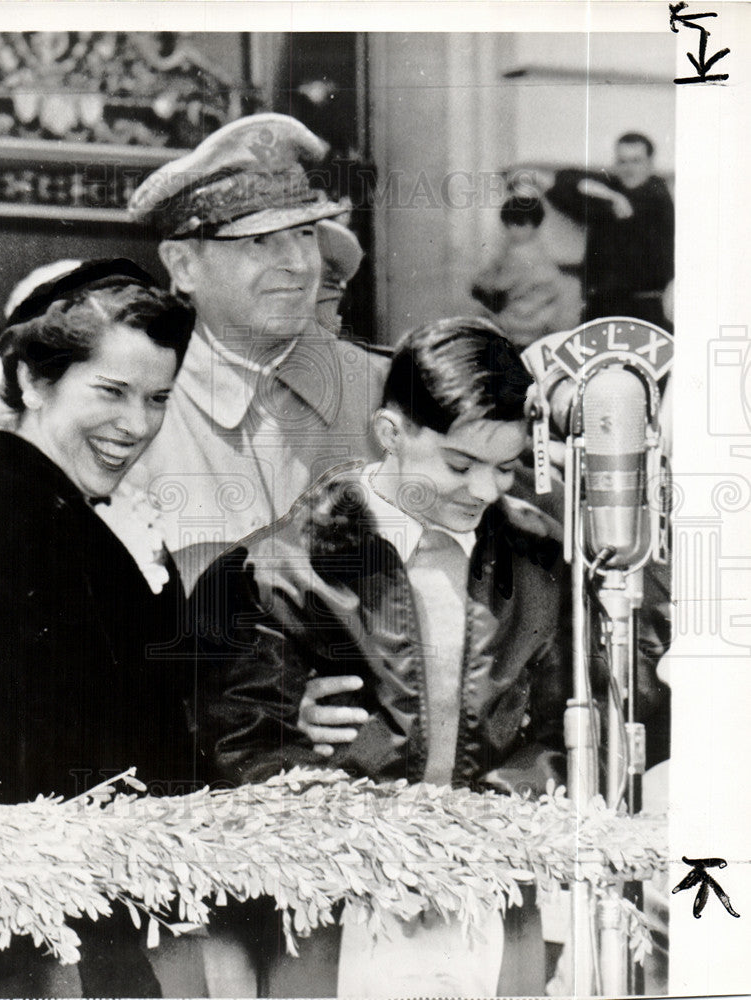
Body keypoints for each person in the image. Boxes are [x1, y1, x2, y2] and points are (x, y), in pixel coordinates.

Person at [194, 318, 571, 996]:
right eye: (458, 465)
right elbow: (245, 749)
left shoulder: (538, 553)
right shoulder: (279, 568)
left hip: (493, 891)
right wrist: (349, 817)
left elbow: (562, 728)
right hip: (333, 907)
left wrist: (483, 825)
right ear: (391, 433)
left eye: (505, 467)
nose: (484, 492)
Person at [0, 259, 197, 999]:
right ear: (33, 383)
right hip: (17, 944)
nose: (136, 424)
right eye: (110, 391)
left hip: (80, 923)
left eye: (158, 398)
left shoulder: (59, 514)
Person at [110, 113, 388, 562]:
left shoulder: (381, 390)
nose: (298, 263)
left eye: (304, 233)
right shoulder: (131, 411)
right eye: (259, 241)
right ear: (182, 265)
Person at [545, 132, 674, 330]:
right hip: (603, 304)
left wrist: (607, 196)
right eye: (622, 161)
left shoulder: (656, 196)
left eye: (636, 161)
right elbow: (566, 179)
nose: (629, 168)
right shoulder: (616, 191)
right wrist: (612, 195)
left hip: (642, 309)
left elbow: (586, 204)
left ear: (650, 163)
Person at [471, 195, 583, 348]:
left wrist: (484, 281)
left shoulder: (519, 254)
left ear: (534, 226)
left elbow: (495, 285)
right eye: (509, 224)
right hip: (540, 319)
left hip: (523, 322)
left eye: (519, 224)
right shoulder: (538, 250)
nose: (513, 230)